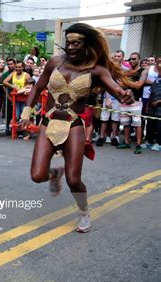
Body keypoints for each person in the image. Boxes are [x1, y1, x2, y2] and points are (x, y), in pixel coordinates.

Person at [21, 23, 134, 233]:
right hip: (49, 122)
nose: (71, 47)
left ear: (86, 45)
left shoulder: (96, 70)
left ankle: (84, 212)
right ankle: (54, 174)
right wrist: (26, 111)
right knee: (37, 176)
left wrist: (125, 95)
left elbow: (117, 90)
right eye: (69, 43)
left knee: (74, 179)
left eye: (76, 43)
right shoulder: (55, 62)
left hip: (74, 125)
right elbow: (37, 88)